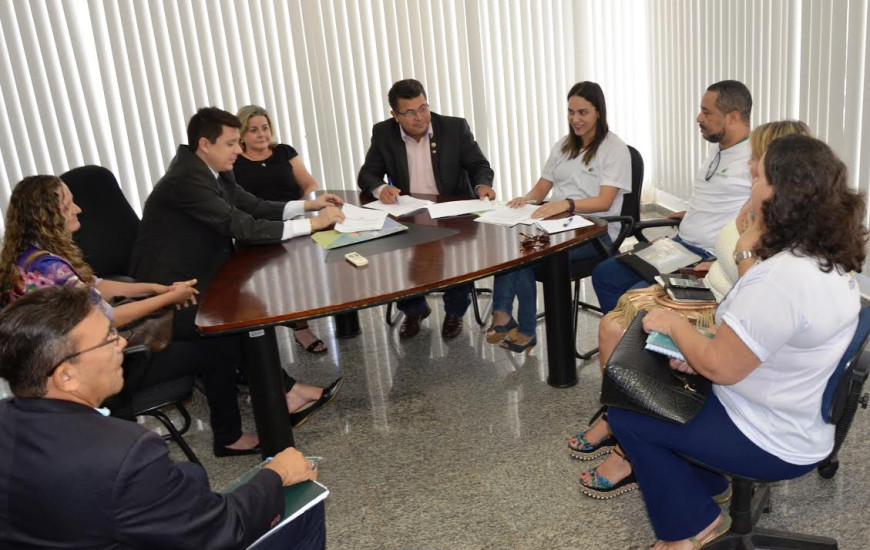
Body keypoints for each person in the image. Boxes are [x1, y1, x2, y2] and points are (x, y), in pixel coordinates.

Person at [606, 135, 865, 548]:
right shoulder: (826, 260)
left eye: (758, 177)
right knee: (661, 388)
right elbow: (758, 344)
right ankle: (711, 485)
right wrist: (702, 348)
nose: (751, 185)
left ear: (779, 193)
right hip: (790, 412)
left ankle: (690, 526)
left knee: (626, 415)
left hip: (768, 436)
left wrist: (675, 326)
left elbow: (721, 368)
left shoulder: (781, 280)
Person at [0, 285, 326, 549]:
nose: (123, 342)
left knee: (190, 477)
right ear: (66, 375)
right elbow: (223, 532)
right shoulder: (126, 453)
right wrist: (276, 474)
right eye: (109, 338)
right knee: (303, 505)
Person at [570, 121, 814, 470]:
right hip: (709, 286)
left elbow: (753, 294)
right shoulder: (756, 200)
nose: (748, 163)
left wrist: (739, 254)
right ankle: (619, 418)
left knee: (617, 330)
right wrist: (716, 262)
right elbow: (733, 252)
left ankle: (628, 443)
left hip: (721, 308)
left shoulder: (779, 223)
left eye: (756, 157)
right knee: (612, 323)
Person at [130, 107, 345, 454]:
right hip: (169, 293)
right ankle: (281, 397)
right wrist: (314, 225)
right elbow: (241, 227)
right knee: (234, 332)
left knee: (231, 335)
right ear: (204, 143)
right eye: (231, 142)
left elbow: (253, 205)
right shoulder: (186, 179)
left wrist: (307, 207)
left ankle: (239, 429)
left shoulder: (214, 170)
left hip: (201, 277)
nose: (238, 148)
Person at [486, 81, 631, 354]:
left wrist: (568, 203)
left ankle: (517, 325)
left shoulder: (614, 149)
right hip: (558, 225)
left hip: (595, 231)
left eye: (583, 112)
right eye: (570, 112)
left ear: (598, 112)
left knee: (524, 256)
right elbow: (542, 188)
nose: (575, 119)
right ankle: (508, 319)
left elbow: (605, 201)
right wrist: (524, 200)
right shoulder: (563, 145)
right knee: (513, 251)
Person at [591, 80, 754, 314]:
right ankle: (622, 343)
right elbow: (720, 198)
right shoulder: (717, 148)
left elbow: (759, 218)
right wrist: (693, 215)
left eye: (706, 112)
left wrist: (724, 263)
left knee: (636, 300)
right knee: (604, 274)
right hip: (680, 245)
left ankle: (634, 343)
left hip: (707, 254)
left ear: (733, 117)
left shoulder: (754, 160)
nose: (699, 118)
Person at [358, 78, 496, 340]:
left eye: (423, 108)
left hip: (453, 213)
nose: (420, 117)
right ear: (395, 115)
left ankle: (455, 311)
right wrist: (380, 189)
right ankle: (414, 310)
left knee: (458, 257)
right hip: (410, 213)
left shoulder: (454, 127)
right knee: (396, 252)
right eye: (409, 112)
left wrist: (482, 185)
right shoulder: (384, 133)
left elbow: (479, 164)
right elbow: (367, 175)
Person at [234, 104, 327, 354]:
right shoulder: (235, 162)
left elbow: (309, 183)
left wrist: (308, 203)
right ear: (241, 134)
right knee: (267, 282)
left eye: (265, 128)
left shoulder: (284, 152)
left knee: (301, 276)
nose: (262, 134)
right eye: (253, 130)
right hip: (259, 229)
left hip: (296, 221)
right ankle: (265, 329)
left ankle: (301, 328)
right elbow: (240, 204)